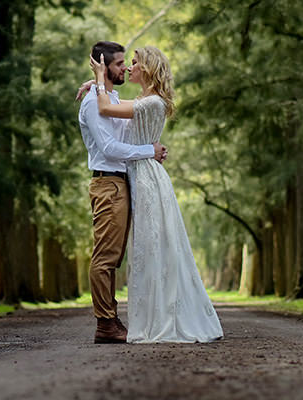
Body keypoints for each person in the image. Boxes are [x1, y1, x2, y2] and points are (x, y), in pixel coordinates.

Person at [88, 45, 223, 343]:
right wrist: (94, 84)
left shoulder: (151, 102)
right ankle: (143, 316)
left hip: (145, 177)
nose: (129, 68)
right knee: (145, 249)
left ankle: (159, 318)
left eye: (134, 63)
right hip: (136, 174)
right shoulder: (144, 99)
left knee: (152, 248)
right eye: (127, 63)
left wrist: (99, 80)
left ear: (147, 68)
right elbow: (110, 102)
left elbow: (107, 108)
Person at [77, 41, 167, 344]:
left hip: (121, 183)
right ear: (103, 66)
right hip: (107, 184)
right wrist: (149, 151)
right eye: (118, 64)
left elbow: (128, 119)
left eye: (126, 63)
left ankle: (111, 319)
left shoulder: (109, 95)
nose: (125, 68)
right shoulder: (93, 102)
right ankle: (106, 324)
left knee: (114, 257)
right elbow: (109, 148)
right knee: (105, 257)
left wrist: (97, 82)